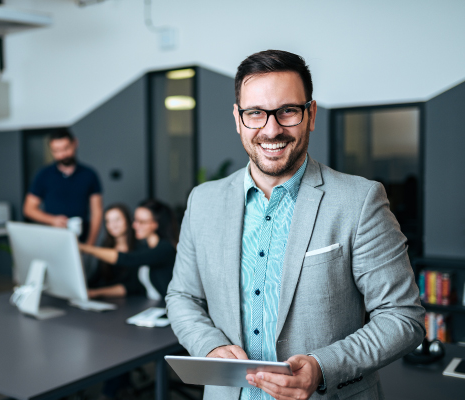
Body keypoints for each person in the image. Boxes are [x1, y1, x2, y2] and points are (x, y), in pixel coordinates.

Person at [165, 50, 425, 400]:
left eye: (288, 111)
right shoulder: (203, 201)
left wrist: (321, 367)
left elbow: (402, 318)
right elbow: (182, 297)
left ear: (311, 114)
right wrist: (209, 345)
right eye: (255, 113)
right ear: (238, 118)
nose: (271, 130)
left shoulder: (360, 200)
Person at [80, 199, 178, 300]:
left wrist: (85, 248)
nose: (134, 225)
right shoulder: (146, 247)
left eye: (142, 222)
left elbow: (129, 259)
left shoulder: (165, 249)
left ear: (155, 224)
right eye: (135, 220)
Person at [23, 128, 103, 245]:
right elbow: (28, 209)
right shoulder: (43, 175)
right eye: (57, 151)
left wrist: (90, 244)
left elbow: (97, 212)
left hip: (81, 240)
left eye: (66, 148)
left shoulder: (89, 175)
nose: (62, 154)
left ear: (75, 143)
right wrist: (53, 220)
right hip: (52, 239)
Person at [86, 203, 144, 298]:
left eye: (117, 220)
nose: (112, 225)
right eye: (108, 221)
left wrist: (96, 293)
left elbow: (132, 285)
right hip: (107, 300)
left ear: (128, 220)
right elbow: (96, 277)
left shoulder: (139, 248)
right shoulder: (105, 245)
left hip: (132, 302)